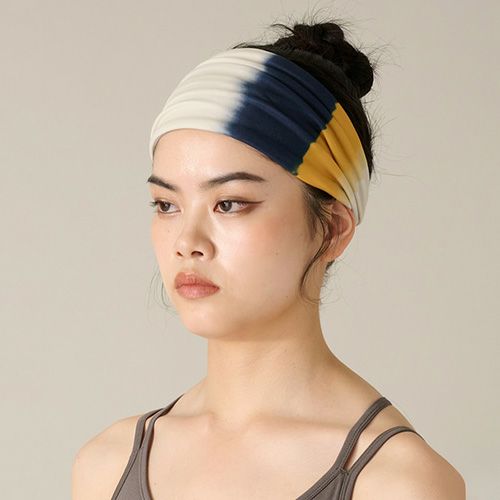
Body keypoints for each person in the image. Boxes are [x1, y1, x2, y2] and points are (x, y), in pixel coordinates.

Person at [72, 16, 466, 500]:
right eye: (166, 205)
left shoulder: (395, 483)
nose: (187, 241)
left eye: (229, 203)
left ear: (333, 229)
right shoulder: (106, 465)